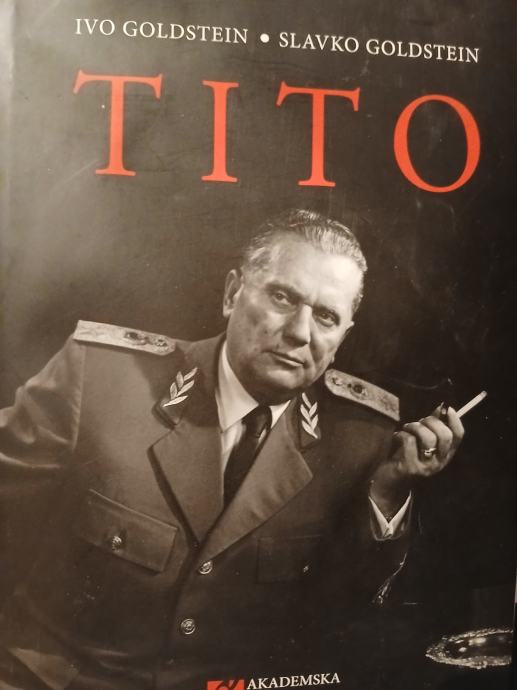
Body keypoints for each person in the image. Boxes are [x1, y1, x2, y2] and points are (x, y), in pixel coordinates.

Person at [0, 209, 463, 690]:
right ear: (232, 294)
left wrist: (387, 492)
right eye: (283, 298)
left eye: (326, 317)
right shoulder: (98, 381)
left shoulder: (361, 438)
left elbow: (341, 616)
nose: (300, 332)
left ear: (342, 337)